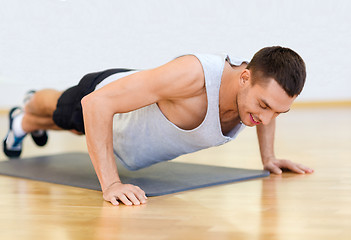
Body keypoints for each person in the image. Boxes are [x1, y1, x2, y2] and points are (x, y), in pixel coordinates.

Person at [3, 46, 314, 206]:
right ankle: (27, 111)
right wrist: (111, 185)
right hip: (102, 95)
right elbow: (95, 105)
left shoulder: (255, 94)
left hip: (122, 135)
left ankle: (25, 123)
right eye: (263, 106)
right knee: (61, 110)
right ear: (244, 77)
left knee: (74, 127)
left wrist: (269, 158)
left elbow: (267, 109)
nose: (267, 117)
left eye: (279, 112)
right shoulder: (194, 75)